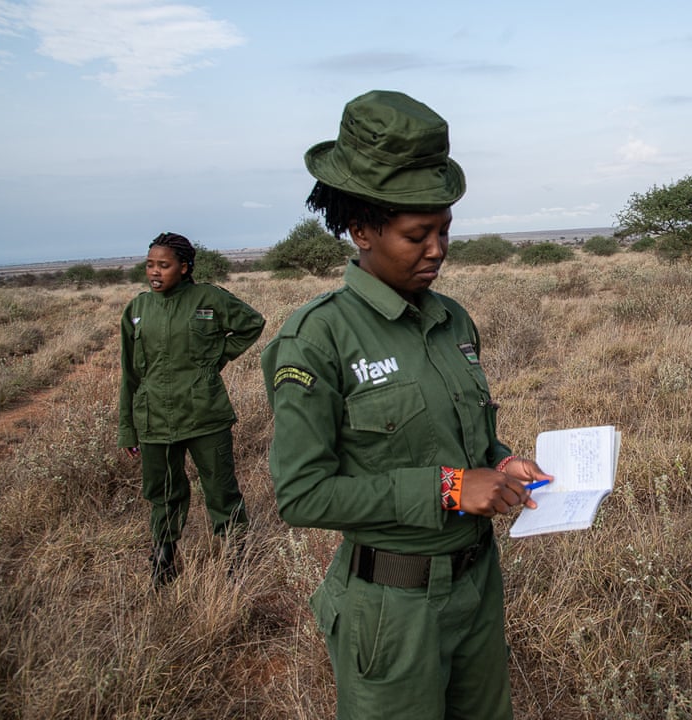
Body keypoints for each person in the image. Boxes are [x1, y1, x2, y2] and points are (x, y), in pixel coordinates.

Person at [260, 90, 552, 720]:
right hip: (391, 610)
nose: (438, 249)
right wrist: (449, 488)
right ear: (360, 229)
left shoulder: (452, 320)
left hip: (476, 588)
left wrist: (501, 464)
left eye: (445, 230)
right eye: (417, 234)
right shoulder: (318, 339)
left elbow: (467, 440)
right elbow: (302, 494)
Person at [118, 232, 266, 587]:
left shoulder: (208, 298)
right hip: (154, 418)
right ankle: (164, 561)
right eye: (150, 265)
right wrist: (128, 428)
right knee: (163, 492)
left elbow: (252, 324)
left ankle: (236, 559)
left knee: (221, 489)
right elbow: (130, 374)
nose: (154, 272)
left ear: (184, 268)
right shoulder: (137, 309)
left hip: (205, 415)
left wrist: (215, 358)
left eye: (164, 265)